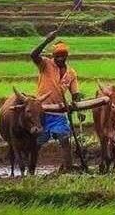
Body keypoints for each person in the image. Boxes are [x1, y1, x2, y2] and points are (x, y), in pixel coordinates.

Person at [30, 29, 79, 171]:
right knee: (37, 142)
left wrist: (76, 103)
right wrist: (47, 40)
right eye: (57, 56)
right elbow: (33, 55)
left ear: (67, 56)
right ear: (53, 56)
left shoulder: (71, 73)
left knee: (64, 139)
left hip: (58, 112)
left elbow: (75, 93)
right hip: (41, 112)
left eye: (63, 56)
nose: (60, 59)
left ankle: (68, 170)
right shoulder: (45, 64)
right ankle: (31, 171)